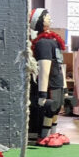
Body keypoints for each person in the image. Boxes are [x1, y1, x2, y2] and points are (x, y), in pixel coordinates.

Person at [29, 8, 70, 147]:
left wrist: (64, 86)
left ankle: (53, 133)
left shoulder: (53, 41)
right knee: (49, 109)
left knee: (56, 108)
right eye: (46, 16)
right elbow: (44, 68)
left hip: (57, 81)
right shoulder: (43, 43)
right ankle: (44, 136)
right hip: (50, 84)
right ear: (40, 21)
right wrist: (42, 93)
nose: (49, 18)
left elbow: (60, 65)